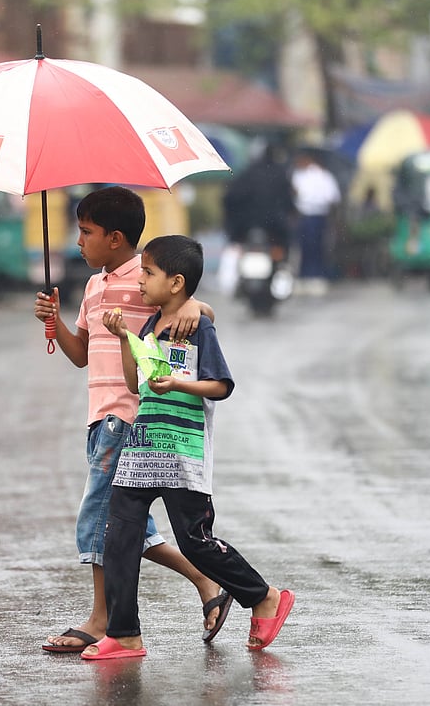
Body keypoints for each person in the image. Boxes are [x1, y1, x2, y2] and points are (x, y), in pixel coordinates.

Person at [32, 186, 228, 653]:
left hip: (130, 416)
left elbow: (195, 309)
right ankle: (207, 583)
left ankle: (102, 619)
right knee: (128, 526)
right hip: (99, 418)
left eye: (86, 232)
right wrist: (54, 320)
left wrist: (197, 307)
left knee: (98, 518)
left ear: (115, 237)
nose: (78, 241)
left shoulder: (144, 281)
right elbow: (80, 355)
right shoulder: (94, 285)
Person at [85, 235, 293, 660]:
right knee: (119, 536)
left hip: (182, 452)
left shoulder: (198, 326)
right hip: (142, 449)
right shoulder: (149, 324)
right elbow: (134, 383)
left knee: (195, 542)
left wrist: (179, 382)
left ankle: (264, 596)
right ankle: (124, 634)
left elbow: (221, 386)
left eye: (148, 273)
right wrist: (126, 337)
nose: (141, 281)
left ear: (176, 282)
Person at [290, 149, 341, 290]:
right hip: (312, 215)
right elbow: (333, 199)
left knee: (311, 247)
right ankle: (311, 276)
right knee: (312, 247)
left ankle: (311, 275)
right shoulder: (324, 176)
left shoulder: (313, 176)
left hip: (312, 215)